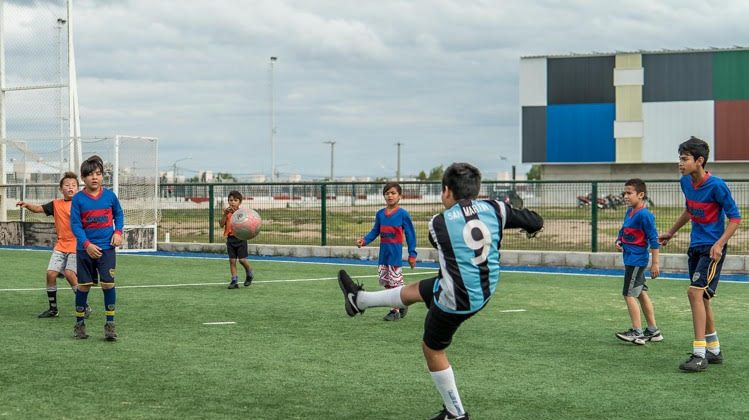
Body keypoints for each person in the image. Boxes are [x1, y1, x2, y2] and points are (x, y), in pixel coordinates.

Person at [337, 162, 543, 419]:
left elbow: (445, 241)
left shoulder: (438, 222)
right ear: (477, 190)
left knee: (432, 348)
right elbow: (534, 220)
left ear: (446, 191)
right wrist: (528, 225)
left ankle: (455, 413)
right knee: (417, 289)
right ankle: (360, 300)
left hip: (457, 299)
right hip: (485, 286)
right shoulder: (495, 208)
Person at [658, 137, 741, 372]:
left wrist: (719, 244)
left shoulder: (717, 186)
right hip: (695, 246)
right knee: (702, 298)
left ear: (699, 160)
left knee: (694, 293)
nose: (680, 163)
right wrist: (671, 232)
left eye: (684, 159)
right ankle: (714, 350)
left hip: (711, 250)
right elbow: (689, 209)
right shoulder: (685, 182)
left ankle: (699, 353)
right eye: (680, 159)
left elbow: (735, 218)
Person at [15, 172, 90, 319]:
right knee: (50, 274)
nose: (71, 188)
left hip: (77, 245)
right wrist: (27, 205)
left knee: (69, 274)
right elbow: (38, 209)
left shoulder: (82, 203)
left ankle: (84, 306)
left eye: (74, 185)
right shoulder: (56, 204)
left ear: (78, 188)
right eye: (67, 185)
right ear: (61, 189)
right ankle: (53, 309)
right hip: (61, 246)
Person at [70, 155, 125, 341]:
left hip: (107, 249)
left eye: (98, 174)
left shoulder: (110, 196)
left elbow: (119, 215)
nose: (95, 177)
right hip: (85, 250)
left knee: (108, 284)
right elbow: (76, 225)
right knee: (84, 287)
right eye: (90, 174)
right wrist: (87, 245)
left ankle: (110, 324)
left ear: (102, 177)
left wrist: (118, 232)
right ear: (83, 178)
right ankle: (79, 324)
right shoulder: (78, 199)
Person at [356, 182, 417, 321]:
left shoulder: (403, 214)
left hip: (395, 254)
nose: (390, 196)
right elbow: (375, 231)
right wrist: (364, 241)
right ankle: (402, 302)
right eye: (387, 193)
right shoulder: (380, 214)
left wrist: (412, 254)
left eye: (393, 193)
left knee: (395, 282)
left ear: (400, 196)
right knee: (386, 281)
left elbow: (410, 235)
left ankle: (394, 310)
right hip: (383, 254)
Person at [614, 178, 661, 345]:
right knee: (640, 293)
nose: (626, 196)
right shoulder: (630, 211)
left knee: (628, 294)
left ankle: (637, 332)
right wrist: (619, 241)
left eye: (629, 193)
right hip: (630, 258)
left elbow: (654, 240)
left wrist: (655, 263)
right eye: (624, 193)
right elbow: (624, 230)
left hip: (636, 260)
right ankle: (653, 331)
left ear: (641, 195)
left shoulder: (645, 215)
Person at [219, 190, 254, 289]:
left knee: (242, 260)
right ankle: (234, 280)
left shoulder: (241, 213)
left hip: (240, 238)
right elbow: (221, 224)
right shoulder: (226, 212)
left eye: (235, 200)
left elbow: (244, 223)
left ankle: (250, 272)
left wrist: (236, 213)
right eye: (230, 200)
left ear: (239, 202)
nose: (232, 202)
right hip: (230, 239)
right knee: (232, 261)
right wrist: (225, 215)